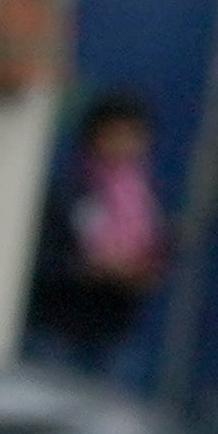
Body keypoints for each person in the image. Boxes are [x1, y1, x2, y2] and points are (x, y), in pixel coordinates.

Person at [20, 95, 167, 381]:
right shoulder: (67, 193)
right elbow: (41, 261)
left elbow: (157, 256)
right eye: (115, 135)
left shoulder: (143, 200)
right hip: (57, 333)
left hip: (113, 336)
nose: (123, 146)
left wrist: (139, 271)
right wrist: (91, 267)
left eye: (133, 137)